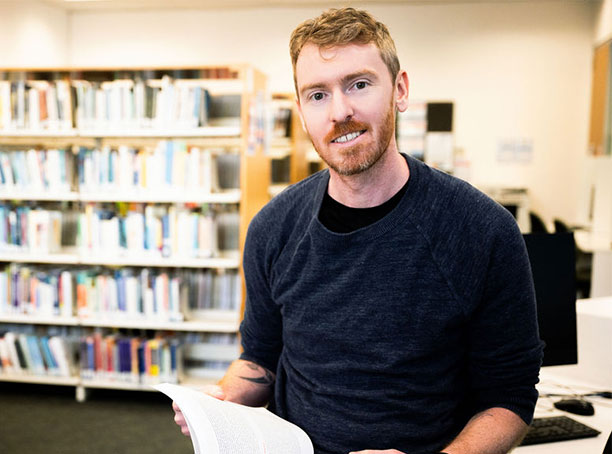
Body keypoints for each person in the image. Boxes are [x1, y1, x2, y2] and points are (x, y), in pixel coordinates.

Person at [173, 7, 543, 454]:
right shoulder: (273, 228)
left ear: (399, 90)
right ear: (302, 112)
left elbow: (509, 398)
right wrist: (223, 399)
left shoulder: (482, 230)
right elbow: (260, 359)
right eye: (317, 95)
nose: (340, 111)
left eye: (359, 85)